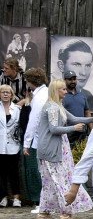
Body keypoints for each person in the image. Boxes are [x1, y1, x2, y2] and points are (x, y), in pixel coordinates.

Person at [35, 80, 93, 219]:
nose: (66, 92)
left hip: (55, 148)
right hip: (52, 149)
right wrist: (74, 129)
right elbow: (54, 129)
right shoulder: (53, 108)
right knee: (61, 180)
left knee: (50, 181)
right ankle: (65, 213)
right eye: (63, 89)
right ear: (56, 91)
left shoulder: (57, 106)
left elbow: (73, 118)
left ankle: (44, 211)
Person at [20, 68, 49, 210]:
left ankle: (43, 204)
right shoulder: (47, 92)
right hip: (48, 137)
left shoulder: (38, 97)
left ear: (31, 81)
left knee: (42, 172)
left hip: (41, 138)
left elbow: (33, 121)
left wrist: (26, 143)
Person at [56, 39, 93, 112]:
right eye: (77, 65)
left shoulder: (87, 95)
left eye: (87, 65)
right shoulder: (52, 93)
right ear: (61, 66)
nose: (83, 73)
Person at [0, 85, 22, 207]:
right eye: (3, 92)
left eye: (7, 92)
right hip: (0, 145)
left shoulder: (17, 109)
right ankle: (3, 197)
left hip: (14, 145)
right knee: (1, 173)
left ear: (11, 95)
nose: (5, 94)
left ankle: (16, 198)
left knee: (13, 172)